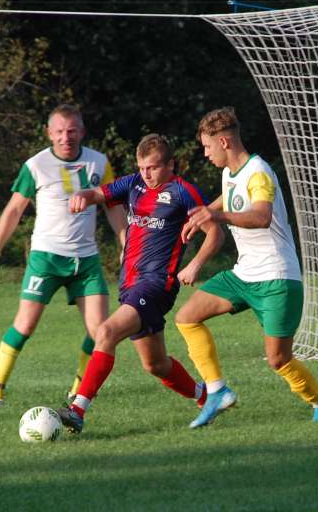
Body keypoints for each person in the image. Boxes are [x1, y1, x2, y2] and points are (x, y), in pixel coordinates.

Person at [174, 107, 318, 428]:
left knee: (278, 359)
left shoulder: (259, 172)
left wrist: (216, 217)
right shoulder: (231, 172)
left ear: (223, 142)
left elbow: (262, 216)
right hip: (244, 274)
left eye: (207, 147)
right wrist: (205, 211)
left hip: (277, 278)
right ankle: (217, 390)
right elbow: (230, 194)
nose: (205, 154)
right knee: (186, 317)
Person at [57, 134, 222, 433]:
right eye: (142, 167)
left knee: (106, 331)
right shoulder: (133, 184)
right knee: (155, 364)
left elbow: (215, 232)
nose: (147, 174)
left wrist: (195, 265)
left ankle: (77, 409)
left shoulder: (183, 192)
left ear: (171, 164)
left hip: (157, 284)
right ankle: (208, 397)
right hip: (130, 286)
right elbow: (99, 194)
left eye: (154, 167)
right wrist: (83, 194)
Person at [0, 104, 127, 409]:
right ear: (49, 133)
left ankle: (78, 389)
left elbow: (112, 206)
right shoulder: (37, 165)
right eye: (59, 131)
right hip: (46, 258)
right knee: (25, 325)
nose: (65, 137)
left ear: (81, 131)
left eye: (71, 131)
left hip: (86, 261)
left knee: (99, 330)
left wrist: (126, 246)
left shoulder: (99, 163)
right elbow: (14, 210)